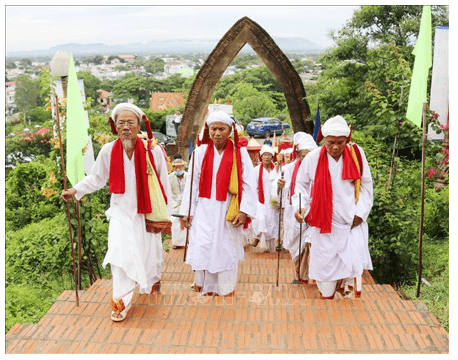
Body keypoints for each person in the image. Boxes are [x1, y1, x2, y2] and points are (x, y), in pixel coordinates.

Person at [61, 103, 173, 321]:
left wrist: (165, 215)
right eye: (120, 123)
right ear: (114, 126)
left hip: (146, 213)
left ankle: (150, 281)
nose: (125, 127)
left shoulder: (153, 150)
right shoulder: (108, 150)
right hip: (120, 212)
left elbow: (163, 183)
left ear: (139, 125)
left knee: (148, 254)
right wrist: (76, 190)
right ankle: (120, 302)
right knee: (120, 255)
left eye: (130, 123)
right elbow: (96, 178)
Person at [292, 116, 373, 299]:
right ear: (323, 139)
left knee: (349, 273)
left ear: (347, 140)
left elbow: (367, 185)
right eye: (330, 143)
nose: (335, 147)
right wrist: (300, 206)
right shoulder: (312, 158)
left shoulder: (356, 155)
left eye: (340, 143)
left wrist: (361, 213)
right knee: (325, 283)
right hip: (323, 226)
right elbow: (300, 185)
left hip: (350, 223)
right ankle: (328, 295)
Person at [179, 111, 257, 296]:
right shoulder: (200, 152)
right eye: (213, 129)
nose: (217, 133)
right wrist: (187, 212)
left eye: (222, 129)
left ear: (230, 130)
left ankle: (226, 288)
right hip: (203, 209)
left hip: (228, 208)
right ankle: (206, 287)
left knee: (226, 248)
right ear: (208, 130)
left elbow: (248, 183)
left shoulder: (240, 153)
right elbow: (192, 183)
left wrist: (244, 211)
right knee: (204, 245)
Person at [250, 145, 279, 253]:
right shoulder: (256, 170)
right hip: (260, 201)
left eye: (269, 155)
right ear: (261, 157)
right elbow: (253, 186)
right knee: (260, 219)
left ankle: (271, 247)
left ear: (272, 157)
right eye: (265, 155)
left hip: (273, 201)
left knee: (272, 223)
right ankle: (257, 238)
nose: (267, 157)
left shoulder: (276, 170)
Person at [169, 158, 188, 249]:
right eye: (176, 168)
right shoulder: (170, 177)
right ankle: (176, 243)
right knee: (175, 222)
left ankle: (186, 242)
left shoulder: (189, 176)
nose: (178, 170)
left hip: (186, 202)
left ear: (184, 167)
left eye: (180, 167)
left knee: (187, 221)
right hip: (175, 202)